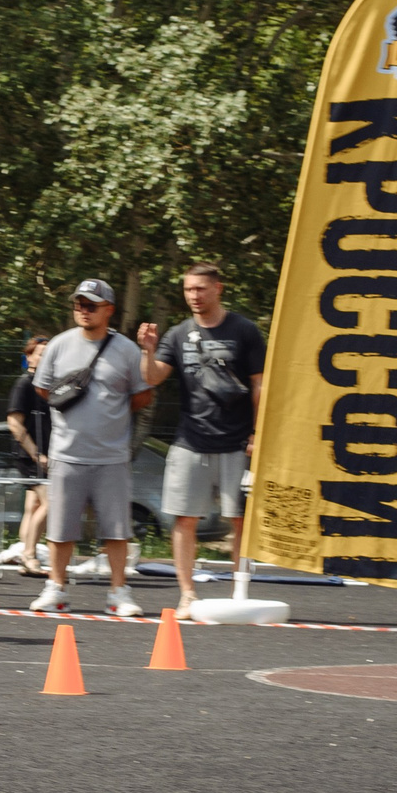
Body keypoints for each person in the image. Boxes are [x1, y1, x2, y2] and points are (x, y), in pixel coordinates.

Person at [139, 264, 267, 621]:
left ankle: (239, 591)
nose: (194, 296)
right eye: (188, 290)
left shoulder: (243, 330)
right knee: (184, 520)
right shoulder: (178, 334)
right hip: (190, 442)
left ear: (217, 289)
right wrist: (147, 351)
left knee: (239, 520)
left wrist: (258, 433)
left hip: (236, 442)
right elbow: (152, 378)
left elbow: (260, 385)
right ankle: (187, 595)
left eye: (200, 289)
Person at [30, 279, 153, 617]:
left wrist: (109, 411)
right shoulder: (58, 344)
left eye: (91, 305)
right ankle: (55, 588)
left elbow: (142, 395)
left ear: (109, 310)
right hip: (67, 453)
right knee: (60, 529)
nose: (83, 310)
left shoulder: (127, 349)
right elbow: (41, 388)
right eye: (79, 304)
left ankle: (119, 593)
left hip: (111, 455)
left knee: (117, 529)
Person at [6, 334, 51, 577]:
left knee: (34, 505)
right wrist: (37, 454)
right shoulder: (24, 384)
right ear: (29, 357)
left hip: (45, 454)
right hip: (30, 456)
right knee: (51, 503)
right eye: (41, 353)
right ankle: (30, 555)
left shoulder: (49, 385)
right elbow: (14, 422)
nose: (46, 358)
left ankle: (26, 551)